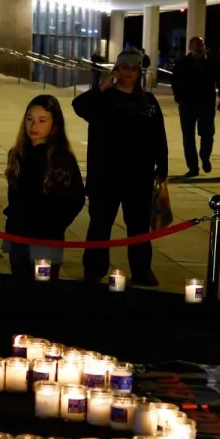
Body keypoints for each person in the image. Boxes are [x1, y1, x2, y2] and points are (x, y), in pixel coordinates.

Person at [71, 49, 168, 286]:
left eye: (134, 69)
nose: (129, 73)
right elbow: (79, 106)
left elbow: (158, 136)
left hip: (138, 175)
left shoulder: (148, 101)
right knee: (100, 225)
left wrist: (162, 167)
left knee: (138, 226)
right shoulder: (103, 100)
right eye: (124, 68)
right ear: (117, 70)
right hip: (106, 174)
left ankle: (142, 269)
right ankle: (94, 269)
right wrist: (103, 87)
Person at [3, 95, 85, 279]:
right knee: (19, 282)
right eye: (30, 119)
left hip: (46, 238)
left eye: (42, 120)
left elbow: (76, 198)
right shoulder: (17, 154)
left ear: (54, 124)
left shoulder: (61, 159)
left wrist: (54, 224)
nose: (34, 126)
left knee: (44, 288)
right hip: (18, 235)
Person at [171, 36, 220, 177]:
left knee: (207, 133)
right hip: (187, 104)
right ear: (190, 47)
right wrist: (179, 97)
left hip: (206, 104)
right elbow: (175, 81)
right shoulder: (182, 64)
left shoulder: (212, 63)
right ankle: (193, 167)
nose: (198, 47)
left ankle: (205, 157)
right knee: (188, 137)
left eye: (201, 44)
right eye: (195, 45)